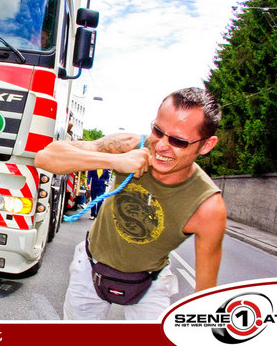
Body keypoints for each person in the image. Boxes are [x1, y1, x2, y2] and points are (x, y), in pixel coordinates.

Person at [34, 87, 226, 320]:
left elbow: (205, 295)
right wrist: (115, 160)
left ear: (206, 145)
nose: (162, 146)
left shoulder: (208, 207)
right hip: (90, 268)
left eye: (178, 141)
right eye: (158, 131)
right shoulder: (129, 145)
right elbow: (45, 156)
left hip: (150, 283)